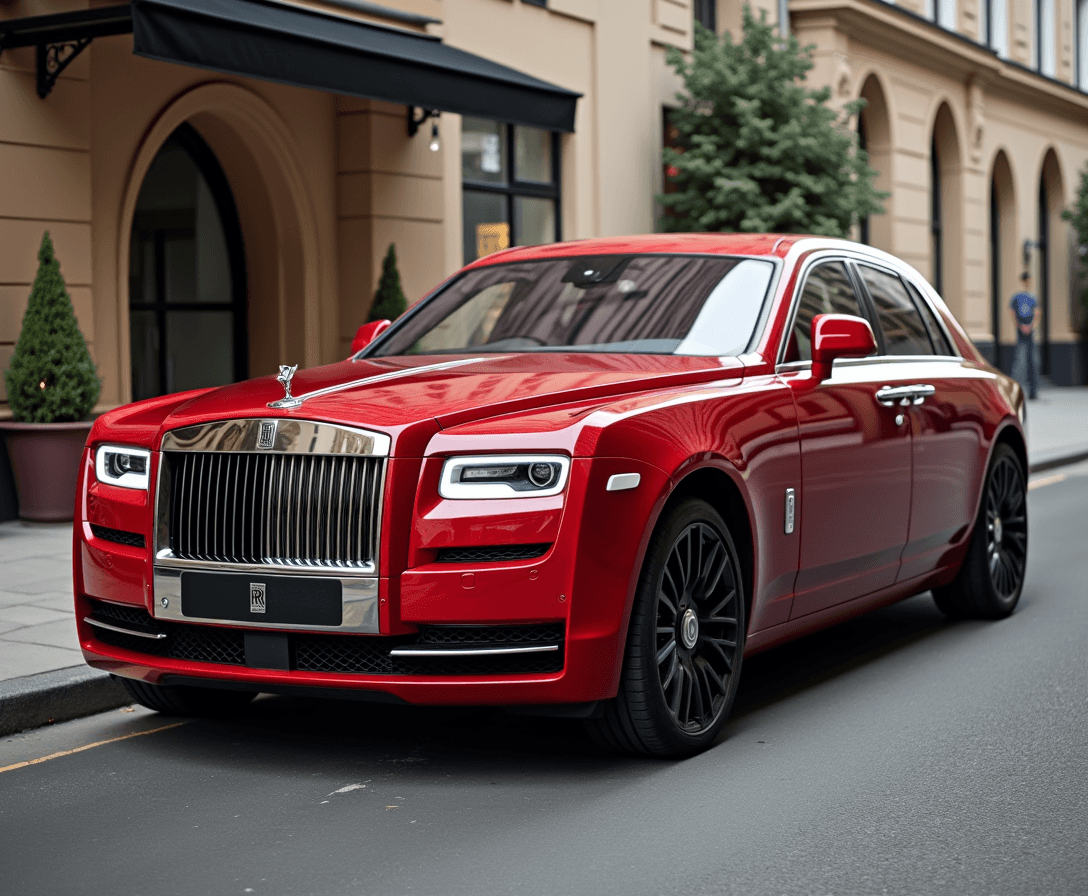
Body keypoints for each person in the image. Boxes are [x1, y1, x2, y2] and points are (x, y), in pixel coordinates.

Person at [1009, 271, 1040, 400]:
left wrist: (1031, 327)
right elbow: (1012, 313)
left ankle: (1033, 391)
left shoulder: (1033, 297)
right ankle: (1015, 391)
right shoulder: (1016, 297)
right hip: (1021, 332)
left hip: (1030, 332)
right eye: (1027, 280)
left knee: (1033, 361)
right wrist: (1020, 326)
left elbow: (1037, 313)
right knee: (1019, 361)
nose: (1029, 283)